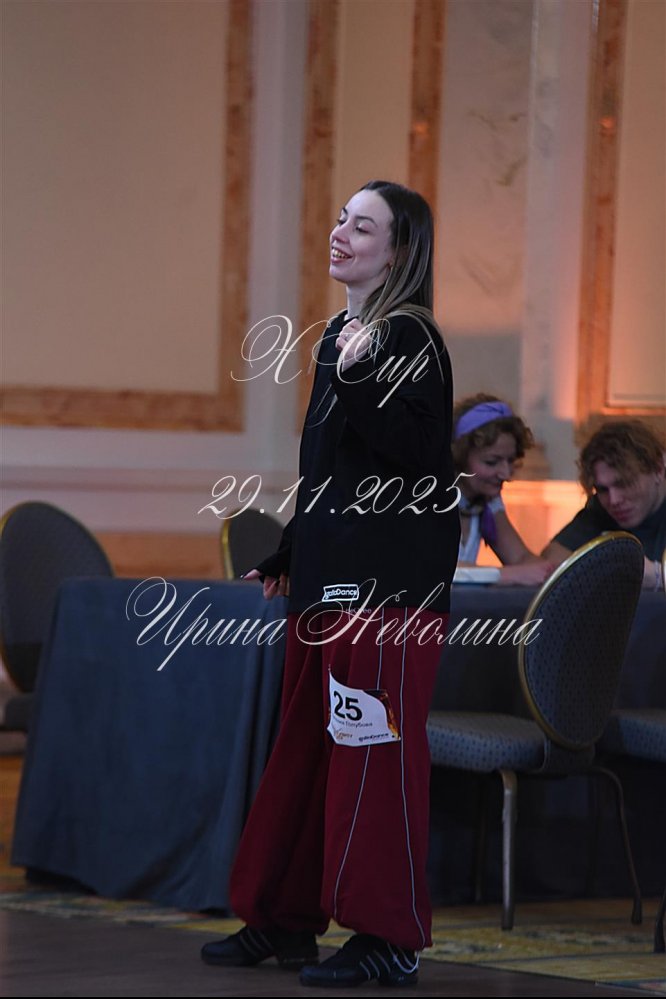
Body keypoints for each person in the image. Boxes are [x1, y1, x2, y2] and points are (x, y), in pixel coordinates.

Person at [201, 181, 460, 987]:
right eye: (342, 219)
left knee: (372, 760)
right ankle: (282, 915)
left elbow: (417, 458)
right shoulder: (341, 338)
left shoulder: (411, 336)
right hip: (329, 582)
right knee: (306, 754)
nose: (341, 233)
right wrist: (289, 551)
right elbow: (331, 471)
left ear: (399, 250)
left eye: (363, 226)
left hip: (387, 593)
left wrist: (356, 374)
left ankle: (388, 936)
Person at [542, 420, 666, 589]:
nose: (613, 500)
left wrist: (658, 576)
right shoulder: (600, 509)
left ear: (658, 470)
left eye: (624, 484)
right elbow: (554, 556)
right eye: (602, 489)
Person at [452, 393, 553, 585]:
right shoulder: (426, 499)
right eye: (492, 462)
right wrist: (508, 575)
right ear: (460, 458)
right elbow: (434, 571)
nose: (505, 474)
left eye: (510, 461)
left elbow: (520, 558)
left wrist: (552, 573)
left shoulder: (489, 501)